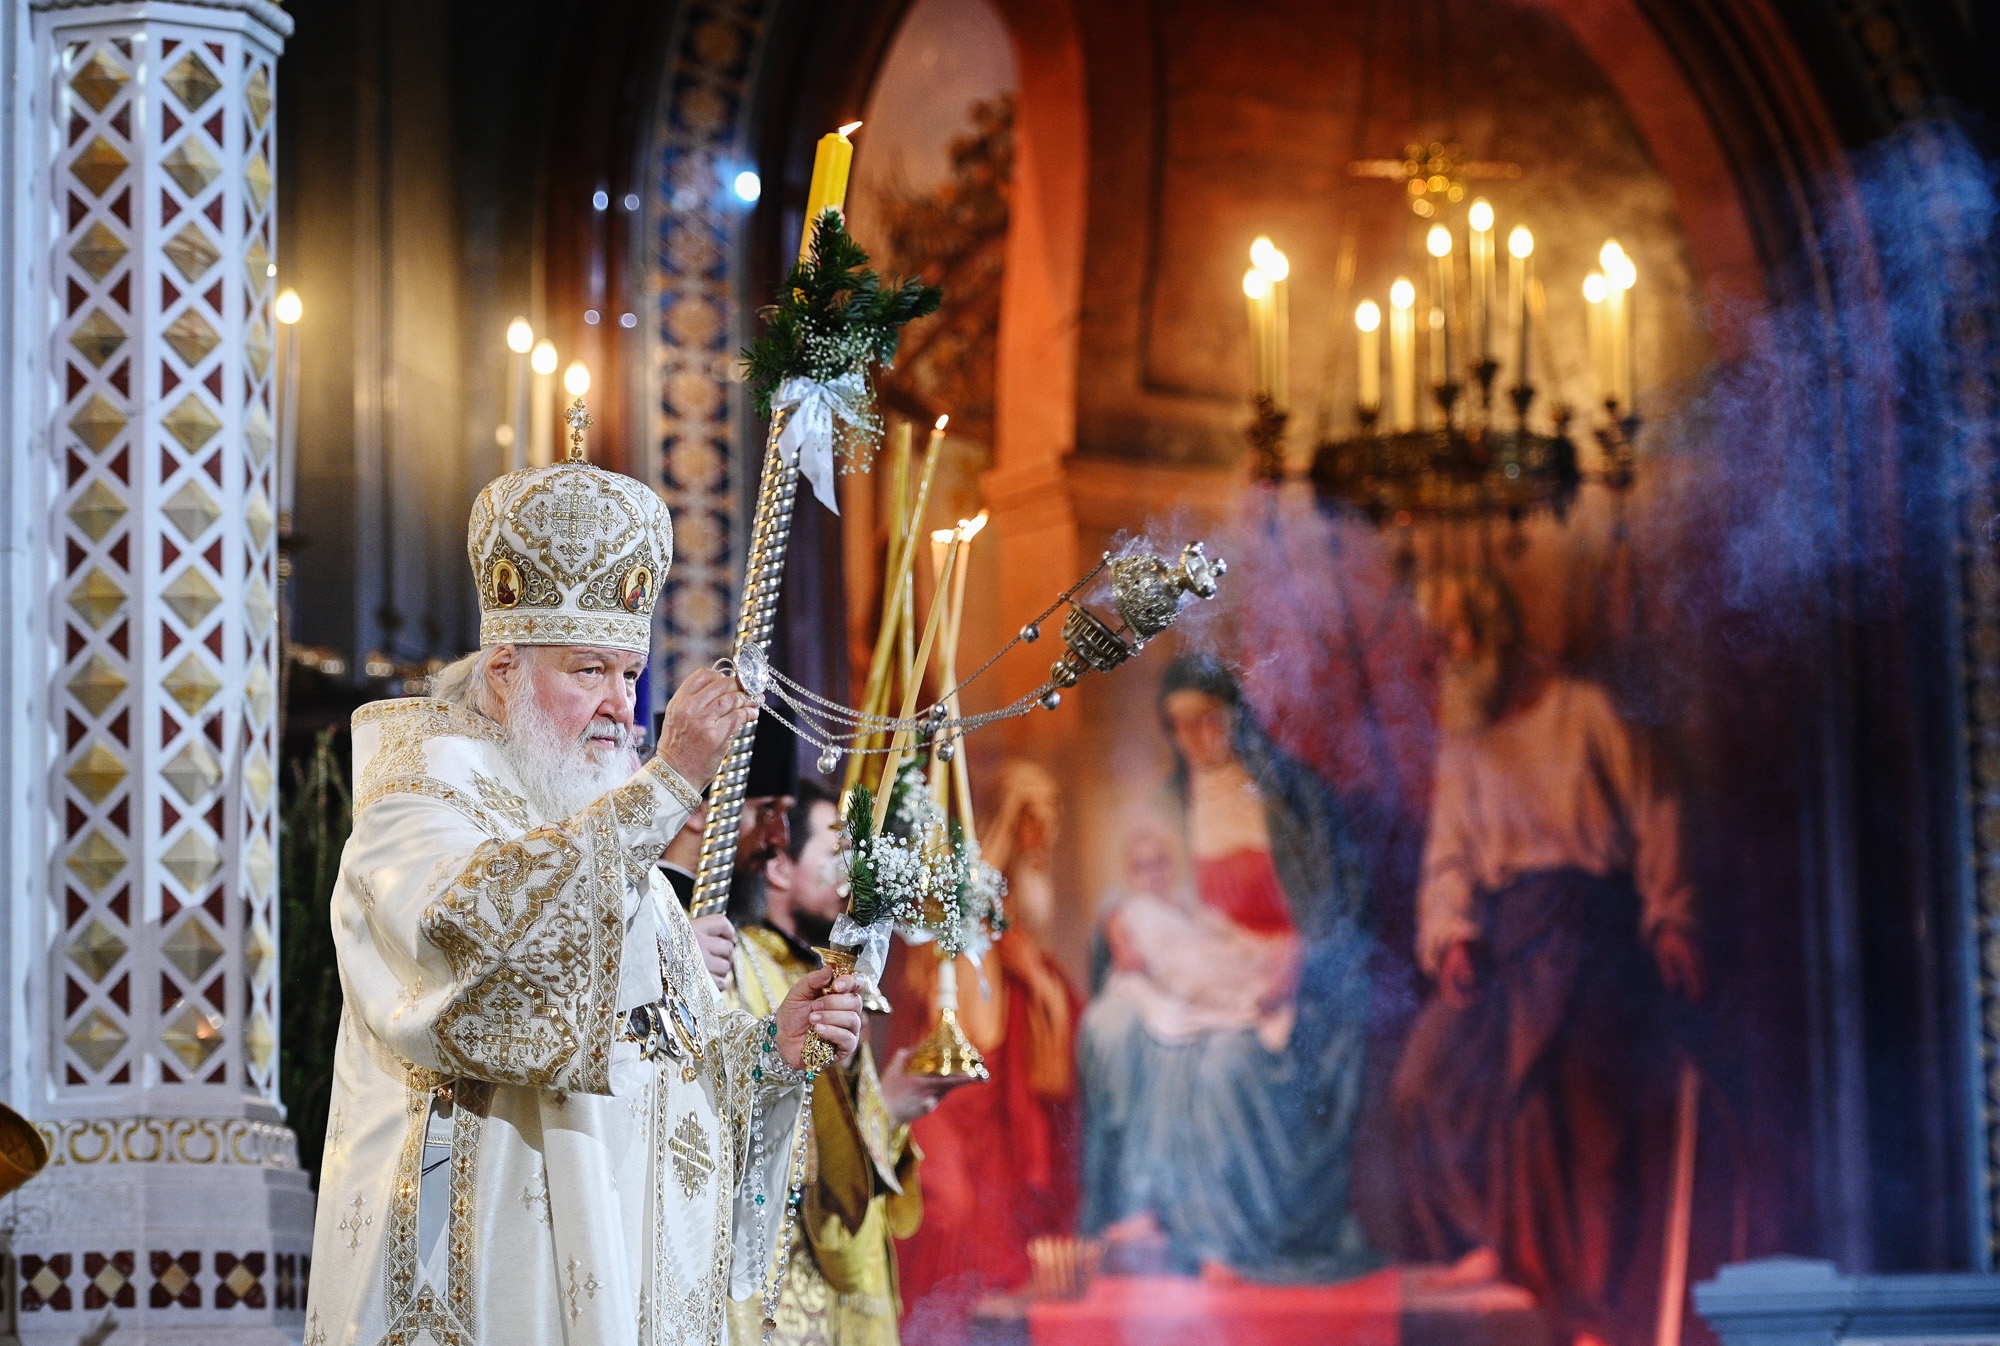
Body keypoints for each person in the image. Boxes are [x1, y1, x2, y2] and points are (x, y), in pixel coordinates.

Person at [306, 425, 865, 1345]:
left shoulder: (607, 830)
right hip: (490, 1262)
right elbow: (488, 956)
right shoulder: (420, 799)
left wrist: (770, 1049)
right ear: (504, 672)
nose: (621, 705)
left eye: (631, 673)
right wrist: (668, 784)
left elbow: (667, 1055)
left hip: (620, 1258)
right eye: (589, 670)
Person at [1390, 570, 1701, 1346]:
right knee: (1423, 1083)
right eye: (1440, 644)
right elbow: (1448, 855)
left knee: (1582, 1118)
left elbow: (1657, 806)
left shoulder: (1583, 710)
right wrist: (1453, 934)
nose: (1448, 657)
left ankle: (1586, 1307)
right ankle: (1487, 1244)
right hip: (1505, 941)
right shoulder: (1466, 738)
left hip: (1590, 933)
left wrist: (1670, 917)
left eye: (1457, 638)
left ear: (1495, 634)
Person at [1077, 654, 1378, 1283]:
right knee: (1112, 1025)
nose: (1196, 738)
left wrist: (1303, 953)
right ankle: (1141, 1211)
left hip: (1275, 976)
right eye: (1180, 725)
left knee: (1221, 1066)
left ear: (1236, 717)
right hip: (1191, 970)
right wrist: (1115, 923)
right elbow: (1123, 884)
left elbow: (1342, 901)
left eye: (1208, 720)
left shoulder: (1292, 796)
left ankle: (1224, 1243)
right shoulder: (1167, 801)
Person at [727, 781, 964, 1346]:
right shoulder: (735, 967)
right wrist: (882, 1103)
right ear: (779, 867)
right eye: (836, 853)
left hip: (848, 1285)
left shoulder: (833, 979)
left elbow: (850, 1153)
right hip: (780, 1281)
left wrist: (888, 1108)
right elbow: (746, 1124)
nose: (854, 877)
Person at [894, 762, 1082, 1339]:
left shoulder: (1016, 923)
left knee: (1002, 1218)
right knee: (951, 1209)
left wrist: (1040, 985)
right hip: (952, 1095)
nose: (1041, 835)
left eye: (1048, 820)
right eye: (1031, 820)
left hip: (997, 1089)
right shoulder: (959, 913)